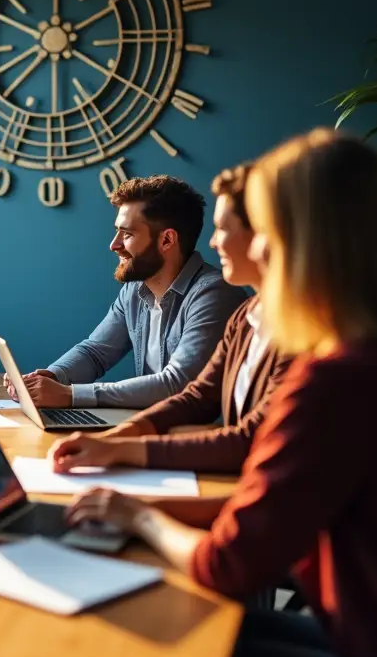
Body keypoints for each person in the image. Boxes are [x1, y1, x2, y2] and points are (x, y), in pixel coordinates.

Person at [65, 130, 377, 657]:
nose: (248, 247)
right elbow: (268, 504)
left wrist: (137, 514)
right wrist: (123, 492)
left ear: (296, 241)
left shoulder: (337, 379)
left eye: (260, 229)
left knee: (143, 637)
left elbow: (226, 564)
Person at [48, 165, 293, 477]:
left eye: (127, 234)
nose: (214, 243)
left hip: (227, 470)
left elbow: (183, 388)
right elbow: (192, 395)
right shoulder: (245, 318)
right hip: (199, 456)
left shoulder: (222, 297)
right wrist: (53, 381)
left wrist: (80, 406)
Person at [8, 175, 247, 409]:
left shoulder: (213, 294)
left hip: (197, 437)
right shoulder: (135, 290)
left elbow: (178, 383)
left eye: (128, 234)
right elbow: (95, 352)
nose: (114, 244)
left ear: (166, 240)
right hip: (149, 427)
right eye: (117, 231)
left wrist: (70, 395)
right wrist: (51, 378)